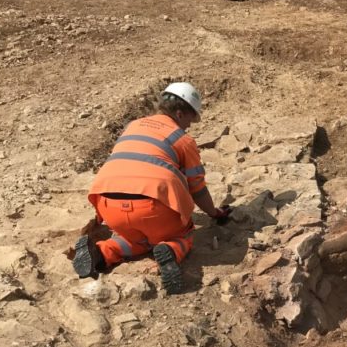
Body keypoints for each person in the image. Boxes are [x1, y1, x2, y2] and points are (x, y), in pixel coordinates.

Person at [72, 81, 229, 295]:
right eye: (191, 120)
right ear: (181, 113)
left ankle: (102, 252)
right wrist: (215, 213)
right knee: (184, 233)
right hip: (152, 207)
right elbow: (197, 188)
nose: (190, 126)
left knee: (130, 239)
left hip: (109, 204)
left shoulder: (133, 126)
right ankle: (171, 249)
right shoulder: (182, 140)